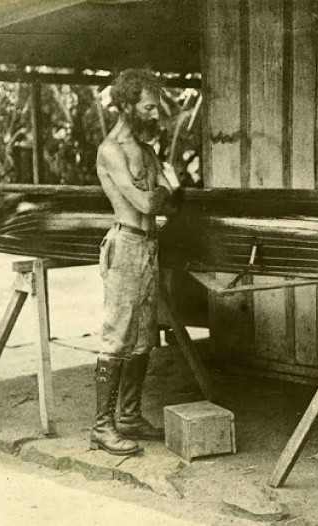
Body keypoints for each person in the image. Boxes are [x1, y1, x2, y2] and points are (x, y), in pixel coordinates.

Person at [92, 69, 181, 456]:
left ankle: (128, 417)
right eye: (148, 107)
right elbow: (147, 202)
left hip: (149, 247)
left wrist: (168, 192)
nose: (155, 114)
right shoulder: (110, 150)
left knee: (144, 336)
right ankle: (101, 428)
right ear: (126, 106)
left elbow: (172, 203)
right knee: (117, 337)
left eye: (156, 107)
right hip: (126, 245)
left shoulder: (146, 151)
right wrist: (168, 188)